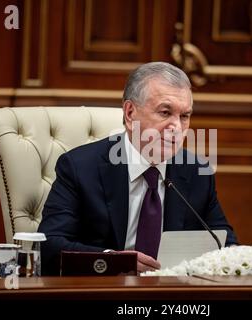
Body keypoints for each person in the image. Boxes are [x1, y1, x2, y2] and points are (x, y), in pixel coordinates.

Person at [38, 62, 237, 275]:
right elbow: (49, 246)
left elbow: (226, 245)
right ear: (130, 113)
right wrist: (114, 261)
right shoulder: (79, 167)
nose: (177, 128)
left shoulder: (197, 172)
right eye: (165, 112)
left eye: (184, 116)